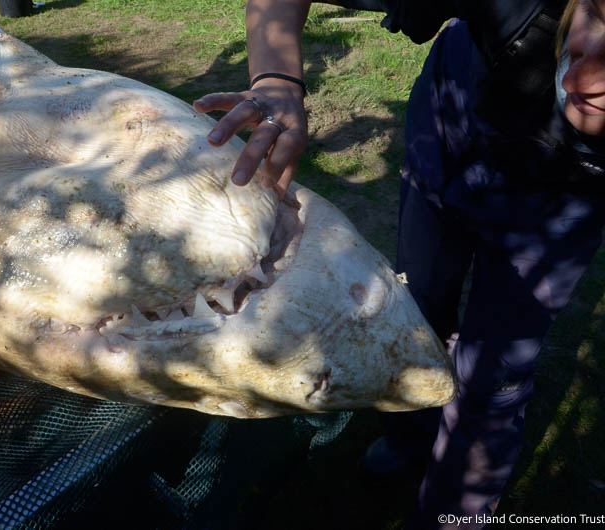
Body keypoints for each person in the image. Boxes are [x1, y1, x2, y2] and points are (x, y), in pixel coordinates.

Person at [194, 0, 605, 528]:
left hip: (567, 196)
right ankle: (410, 434)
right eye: (598, 12)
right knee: (414, 305)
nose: (589, 69)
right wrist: (278, 83)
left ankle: (456, 509)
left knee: (495, 370)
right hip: (452, 129)